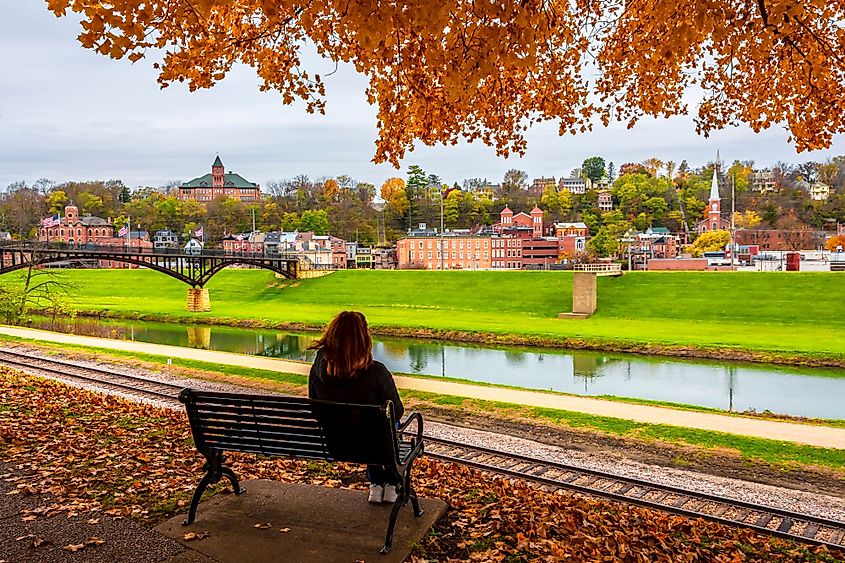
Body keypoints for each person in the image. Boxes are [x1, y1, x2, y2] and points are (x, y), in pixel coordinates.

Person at [307, 311, 404, 504]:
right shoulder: (376, 372)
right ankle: (391, 484)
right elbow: (397, 412)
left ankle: (376, 485)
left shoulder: (318, 369)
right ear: (364, 339)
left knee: (373, 426)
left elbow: (316, 409)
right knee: (386, 425)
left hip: (336, 444)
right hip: (374, 443)